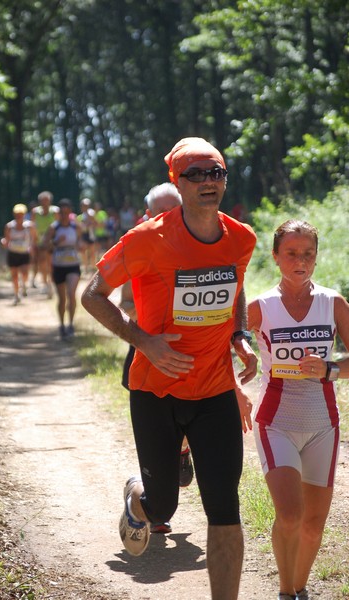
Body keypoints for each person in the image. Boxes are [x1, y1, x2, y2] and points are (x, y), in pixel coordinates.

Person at [81, 136, 257, 600]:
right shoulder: (145, 239)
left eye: (215, 172)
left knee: (225, 510)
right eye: (195, 174)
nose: (207, 182)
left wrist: (239, 335)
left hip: (215, 391)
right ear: (176, 181)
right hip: (155, 391)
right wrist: (145, 342)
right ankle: (139, 497)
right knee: (164, 506)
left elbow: (236, 288)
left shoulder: (242, 238)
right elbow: (92, 294)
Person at [247, 219, 349, 600]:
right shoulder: (260, 307)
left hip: (324, 423)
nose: (300, 261)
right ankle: (285, 593)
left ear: (316, 258)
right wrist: (236, 386)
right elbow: (225, 347)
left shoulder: (333, 302)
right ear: (275, 257)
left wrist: (330, 369)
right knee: (289, 514)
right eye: (291, 253)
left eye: (307, 254)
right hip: (277, 422)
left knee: (312, 525)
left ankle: (299, 589)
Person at [119, 182, 193, 535]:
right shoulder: (137, 244)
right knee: (154, 432)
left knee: (190, 420)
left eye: (173, 209)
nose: (166, 218)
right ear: (146, 215)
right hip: (149, 349)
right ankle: (157, 508)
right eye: (159, 212)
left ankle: (181, 449)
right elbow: (122, 304)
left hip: (195, 352)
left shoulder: (202, 241)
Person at [43, 198, 82, 339]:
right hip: (58, 266)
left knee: (71, 294)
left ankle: (71, 324)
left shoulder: (76, 227)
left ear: (70, 212)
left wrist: (81, 246)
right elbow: (44, 246)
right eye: (62, 212)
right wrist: (56, 242)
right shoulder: (54, 228)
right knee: (62, 298)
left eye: (67, 212)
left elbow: (80, 242)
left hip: (73, 265)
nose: (65, 215)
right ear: (58, 213)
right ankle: (61, 325)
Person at [1, 204, 36, 305]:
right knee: (14, 275)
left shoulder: (30, 226)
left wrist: (32, 248)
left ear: (24, 214)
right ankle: (16, 295)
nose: (19, 216)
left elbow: (34, 239)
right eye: (17, 214)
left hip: (25, 253)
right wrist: (3, 243)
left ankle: (23, 285)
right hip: (13, 253)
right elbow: (6, 241)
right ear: (14, 214)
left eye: (21, 214)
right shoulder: (9, 226)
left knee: (25, 273)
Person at [31, 190, 59, 297]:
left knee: (51, 264)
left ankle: (51, 284)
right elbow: (33, 227)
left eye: (46, 201)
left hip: (52, 242)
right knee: (42, 263)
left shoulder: (55, 211)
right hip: (40, 242)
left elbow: (59, 225)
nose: (44, 203)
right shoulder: (35, 212)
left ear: (50, 201)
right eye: (42, 201)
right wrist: (33, 241)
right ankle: (45, 283)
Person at [76, 198, 97, 274]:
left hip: (90, 234)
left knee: (92, 252)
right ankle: (85, 268)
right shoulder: (79, 217)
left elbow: (94, 221)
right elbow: (79, 227)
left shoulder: (91, 213)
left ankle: (93, 267)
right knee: (83, 252)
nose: (85, 207)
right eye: (84, 205)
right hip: (83, 235)